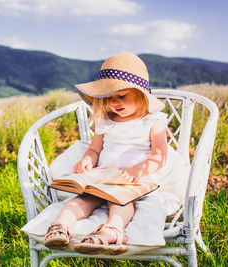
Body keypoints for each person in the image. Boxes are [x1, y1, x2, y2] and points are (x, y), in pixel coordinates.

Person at [43, 52, 168, 255]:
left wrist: (137, 169)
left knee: (120, 201)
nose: (115, 102)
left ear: (141, 95)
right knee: (82, 200)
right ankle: (60, 227)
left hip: (132, 180)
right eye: (109, 98)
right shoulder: (106, 123)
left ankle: (112, 231)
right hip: (103, 177)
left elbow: (159, 156)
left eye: (121, 96)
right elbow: (94, 149)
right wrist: (87, 160)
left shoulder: (153, 121)